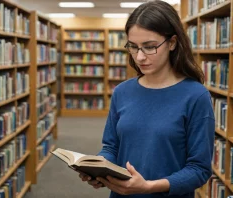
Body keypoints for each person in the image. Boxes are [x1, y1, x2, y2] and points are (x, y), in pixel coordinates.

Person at [79, 0, 215, 197]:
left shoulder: (196, 96)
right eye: (133, 47)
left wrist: (149, 187)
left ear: (172, 43)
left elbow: (199, 169)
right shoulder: (122, 92)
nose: (140, 57)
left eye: (149, 47)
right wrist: (99, 167)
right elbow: (111, 146)